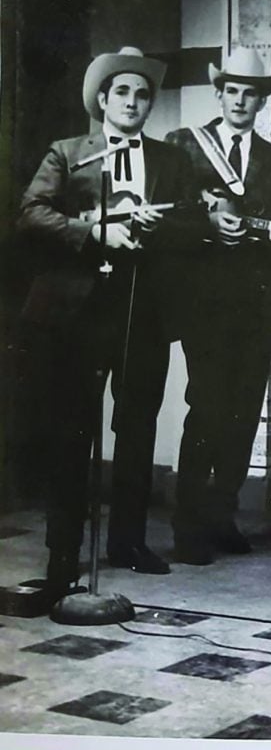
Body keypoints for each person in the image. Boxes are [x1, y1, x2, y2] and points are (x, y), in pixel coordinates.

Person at [17, 46, 198, 595]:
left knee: (138, 424)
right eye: (123, 92)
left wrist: (152, 228)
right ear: (101, 100)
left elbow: (190, 226)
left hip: (142, 309)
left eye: (143, 95)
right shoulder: (68, 153)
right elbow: (30, 213)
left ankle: (128, 541)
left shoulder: (171, 160)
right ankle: (64, 553)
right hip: (77, 313)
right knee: (73, 430)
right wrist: (96, 229)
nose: (133, 102)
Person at [165, 47, 271, 565]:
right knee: (207, 408)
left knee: (244, 414)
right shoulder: (184, 145)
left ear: (261, 101)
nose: (241, 101)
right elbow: (172, 215)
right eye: (232, 91)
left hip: (254, 302)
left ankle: (222, 515)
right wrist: (207, 225)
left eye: (251, 93)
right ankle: (188, 525)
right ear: (219, 94)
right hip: (204, 302)